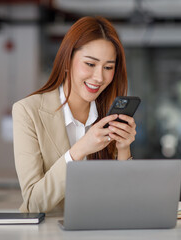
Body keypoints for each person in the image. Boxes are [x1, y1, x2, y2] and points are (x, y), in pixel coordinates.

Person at [12, 16, 137, 213]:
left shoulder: (108, 116)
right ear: (67, 60)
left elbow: (125, 203)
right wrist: (78, 151)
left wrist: (123, 149)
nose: (99, 77)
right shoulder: (28, 111)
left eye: (108, 67)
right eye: (90, 64)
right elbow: (32, 204)